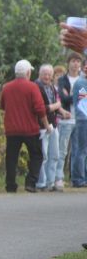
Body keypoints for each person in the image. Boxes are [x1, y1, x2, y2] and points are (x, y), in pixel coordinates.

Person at [0, 60, 51, 193]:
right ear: (28, 72)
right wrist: (46, 125)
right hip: (30, 129)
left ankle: (10, 185)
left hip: (12, 129)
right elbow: (40, 109)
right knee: (37, 155)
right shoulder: (32, 87)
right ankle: (30, 182)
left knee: (11, 157)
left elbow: (2, 105)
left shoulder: (7, 87)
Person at [56, 53, 82, 190]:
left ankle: (77, 178)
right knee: (62, 150)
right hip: (66, 119)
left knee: (79, 150)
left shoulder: (83, 80)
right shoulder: (62, 80)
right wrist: (77, 96)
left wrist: (71, 95)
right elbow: (63, 99)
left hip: (80, 119)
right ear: (68, 63)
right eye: (73, 61)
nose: (75, 64)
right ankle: (58, 177)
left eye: (78, 61)